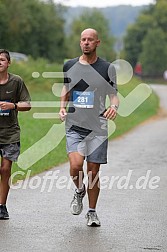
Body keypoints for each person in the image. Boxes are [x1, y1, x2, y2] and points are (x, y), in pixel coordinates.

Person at [59, 28, 119, 227]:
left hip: (98, 128)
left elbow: (113, 95)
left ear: (97, 43)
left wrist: (114, 106)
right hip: (75, 125)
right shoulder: (70, 65)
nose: (86, 42)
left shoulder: (107, 68)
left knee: (93, 172)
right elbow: (66, 89)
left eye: (90, 40)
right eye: (83, 39)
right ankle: (79, 190)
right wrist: (61, 108)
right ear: (80, 42)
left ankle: (92, 212)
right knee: (76, 165)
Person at [0, 49, 31, 219]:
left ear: (8, 63)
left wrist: (14, 106)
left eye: (2, 60)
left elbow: (27, 104)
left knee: (5, 169)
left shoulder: (16, 81)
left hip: (10, 133)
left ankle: (2, 206)